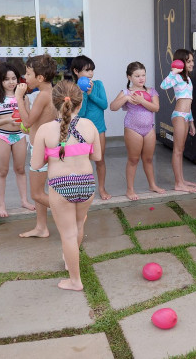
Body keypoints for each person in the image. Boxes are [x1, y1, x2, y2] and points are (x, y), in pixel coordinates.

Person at [31, 80, 101, 291]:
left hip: (61, 187)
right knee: (78, 226)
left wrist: (52, 153)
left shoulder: (45, 129)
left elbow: (36, 165)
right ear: (80, 103)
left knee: (68, 234)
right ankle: (70, 260)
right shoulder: (89, 125)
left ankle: (75, 281)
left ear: (55, 104)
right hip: (86, 184)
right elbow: (97, 156)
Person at [0, 63, 36, 217]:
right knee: (2, 171)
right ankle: (1, 206)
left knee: (20, 169)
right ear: (0, 81)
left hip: (19, 136)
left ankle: (24, 200)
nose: (11, 82)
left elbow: (28, 118)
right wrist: (6, 120)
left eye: (14, 78)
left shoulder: (23, 97)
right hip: (2, 136)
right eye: (6, 79)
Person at [15, 54, 57, 238]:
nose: (25, 77)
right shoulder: (53, 92)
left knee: (37, 194)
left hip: (41, 151)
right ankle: (41, 227)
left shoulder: (42, 96)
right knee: (41, 190)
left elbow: (28, 121)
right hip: (46, 147)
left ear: (40, 77)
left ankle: (73, 213)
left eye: (28, 73)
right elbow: (35, 123)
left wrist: (19, 97)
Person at [110, 61, 164, 200]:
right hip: (132, 129)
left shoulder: (151, 91)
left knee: (148, 159)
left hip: (149, 129)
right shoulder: (126, 92)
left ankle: (152, 185)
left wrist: (142, 100)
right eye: (137, 76)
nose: (141, 78)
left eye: (143, 75)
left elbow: (156, 108)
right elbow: (113, 107)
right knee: (133, 159)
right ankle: (130, 189)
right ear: (129, 77)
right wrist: (126, 98)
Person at [71, 55, 111, 200]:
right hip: (82, 130)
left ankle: (102, 189)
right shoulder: (73, 89)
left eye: (92, 70)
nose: (90, 73)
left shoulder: (98, 84)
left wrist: (91, 93)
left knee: (100, 160)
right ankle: (83, 189)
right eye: (87, 70)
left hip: (99, 128)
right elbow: (80, 113)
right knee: (82, 161)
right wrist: (83, 94)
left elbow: (104, 105)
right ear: (76, 71)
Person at [160, 49, 196, 193]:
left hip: (186, 116)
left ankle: (182, 180)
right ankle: (178, 183)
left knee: (181, 150)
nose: (192, 63)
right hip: (179, 115)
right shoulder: (176, 77)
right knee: (177, 150)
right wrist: (173, 72)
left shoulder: (187, 79)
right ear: (181, 62)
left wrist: (192, 122)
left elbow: (189, 102)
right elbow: (163, 86)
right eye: (189, 61)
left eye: (192, 61)